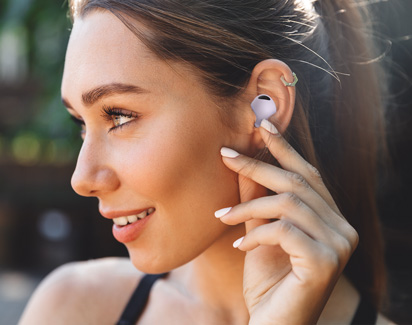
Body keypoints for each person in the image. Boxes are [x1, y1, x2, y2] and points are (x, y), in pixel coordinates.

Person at [20, 0, 392, 324]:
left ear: (263, 105)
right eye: (81, 124)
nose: (82, 179)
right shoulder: (72, 308)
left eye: (118, 115)